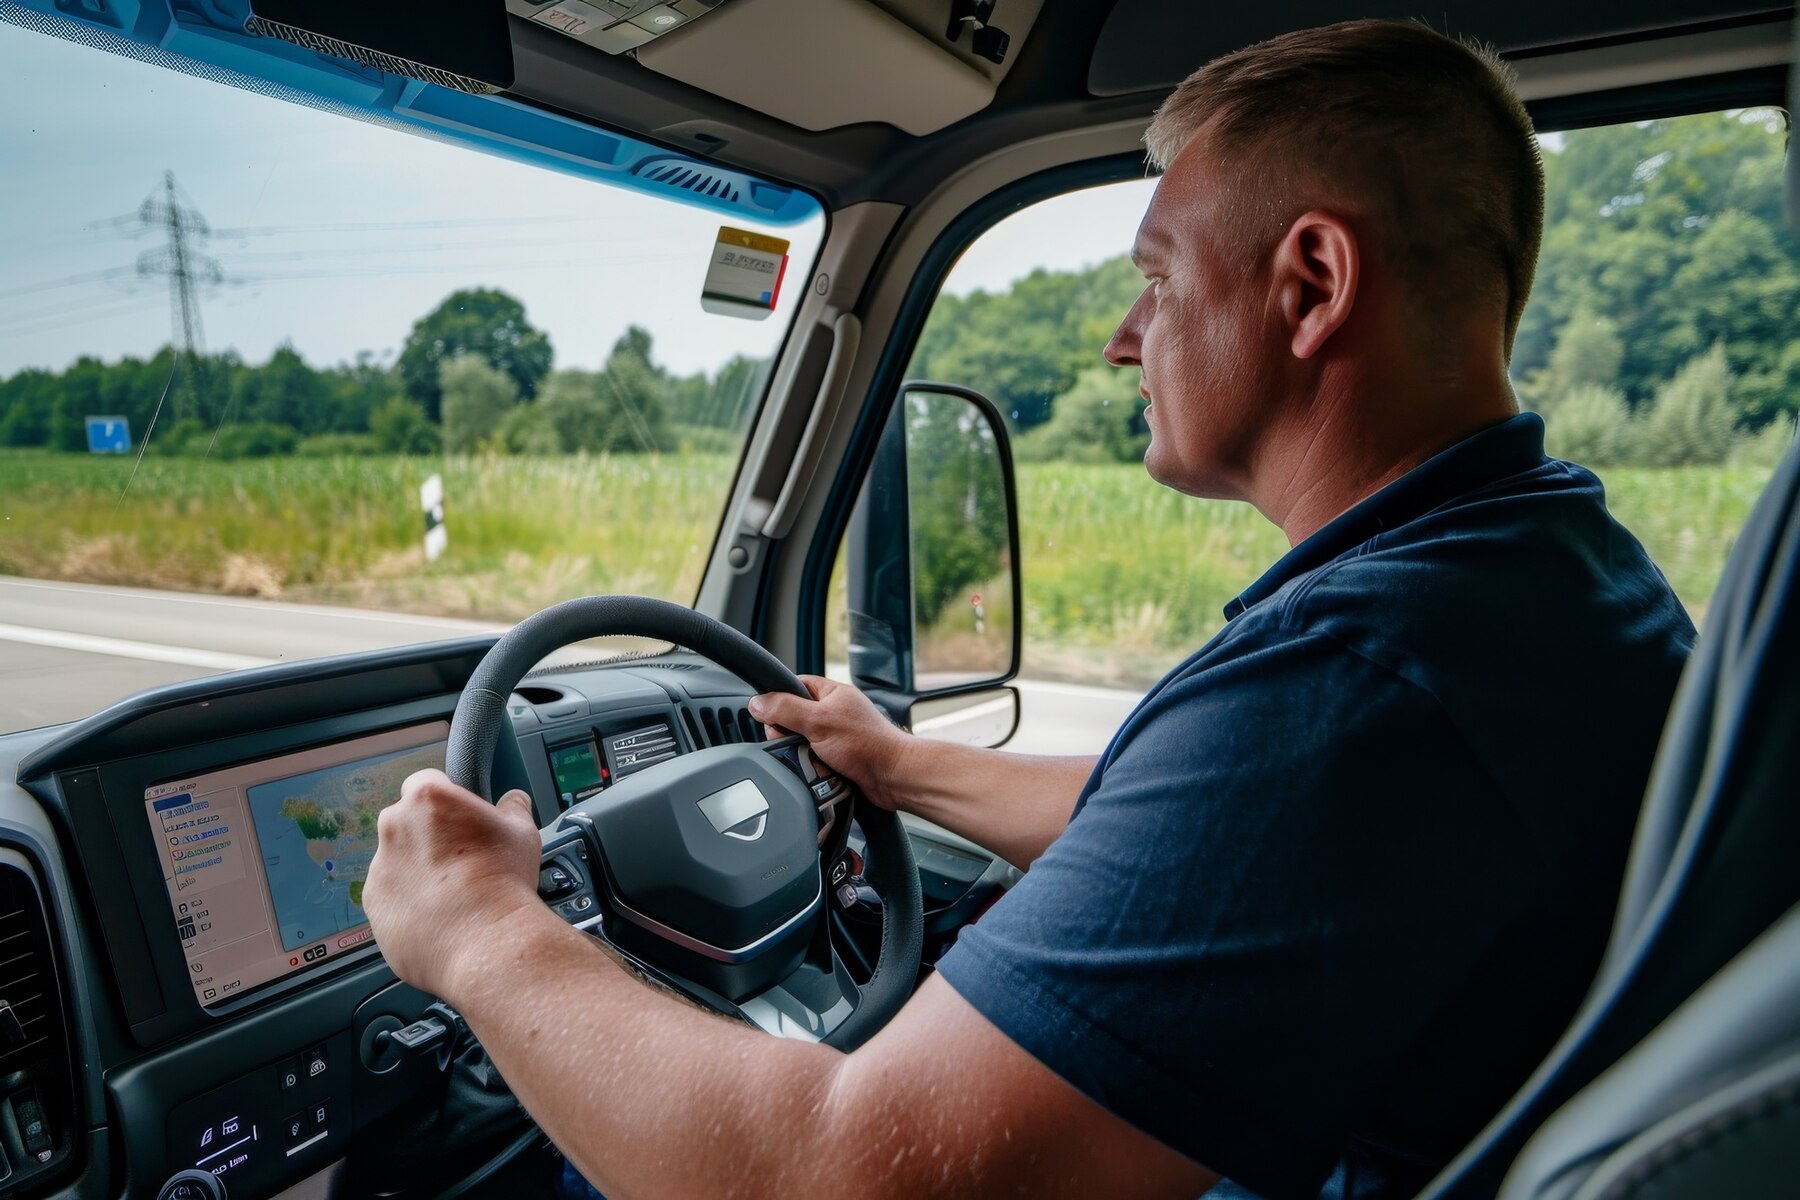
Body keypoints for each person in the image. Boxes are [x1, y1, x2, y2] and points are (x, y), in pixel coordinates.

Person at [363, 19, 1696, 1199]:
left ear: (1314, 284)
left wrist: (482, 931)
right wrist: (898, 765)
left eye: (1161, 277)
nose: (1123, 336)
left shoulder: (1362, 680)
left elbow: (835, 1178)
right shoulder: (1550, 575)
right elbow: (1193, 819)